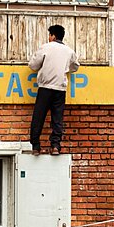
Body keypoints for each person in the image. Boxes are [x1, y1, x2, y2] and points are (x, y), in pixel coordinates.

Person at [28, 24, 80, 155]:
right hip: (60, 89)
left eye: (49, 35)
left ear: (53, 36)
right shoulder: (69, 51)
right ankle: (55, 145)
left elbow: (33, 66)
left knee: (38, 117)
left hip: (45, 88)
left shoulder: (45, 47)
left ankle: (36, 146)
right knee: (57, 119)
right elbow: (75, 66)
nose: (49, 37)